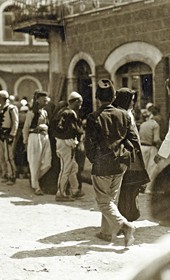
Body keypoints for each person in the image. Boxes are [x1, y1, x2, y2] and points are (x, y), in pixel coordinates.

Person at [84, 79, 138, 247]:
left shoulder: (93, 117)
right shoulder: (124, 114)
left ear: (97, 97)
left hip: (102, 165)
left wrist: (95, 158)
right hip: (120, 165)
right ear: (114, 96)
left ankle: (125, 225)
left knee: (103, 202)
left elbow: (89, 145)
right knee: (110, 200)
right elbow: (133, 140)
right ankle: (106, 233)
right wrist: (122, 153)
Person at [113, 88, 150, 222]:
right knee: (127, 187)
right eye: (131, 101)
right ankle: (125, 217)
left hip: (135, 156)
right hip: (128, 157)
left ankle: (130, 215)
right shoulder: (121, 115)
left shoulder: (129, 114)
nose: (133, 103)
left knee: (132, 187)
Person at [54, 91, 85, 201]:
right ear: (75, 101)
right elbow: (74, 129)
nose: (81, 104)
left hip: (64, 142)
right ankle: (61, 193)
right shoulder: (69, 113)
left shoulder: (63, 111)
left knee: (73, 167)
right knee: (66, 169)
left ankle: (75, 190)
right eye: (80, 102)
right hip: (66, 143)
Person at [22, 90, 51, 195]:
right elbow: (26, 127)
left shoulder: (45, 112)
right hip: (35, 138)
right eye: (44, 99)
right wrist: (25, 141)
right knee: (35, 162)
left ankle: (34, 179)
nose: (46, 101)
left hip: (45, 137)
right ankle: (36, 186)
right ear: (38, 100)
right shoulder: (31, 112)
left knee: (48, 162)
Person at [139, 107, 162, 192]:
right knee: (152, 168)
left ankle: (141, 187)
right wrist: (161, 146)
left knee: (143, 168)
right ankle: (149, 188)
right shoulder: (155, 124)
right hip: (150, 148)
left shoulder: (143, 124)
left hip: (142, 147)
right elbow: (156, 139)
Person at [0, 90, 19, 185]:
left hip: (8, 134)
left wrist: (12, 134)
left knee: (9, 157)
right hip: (1, 134)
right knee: (2, 156)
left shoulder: (11, 108)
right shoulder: (1, 108)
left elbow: (15, 122)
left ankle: (12, 176)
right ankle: (5, 174)